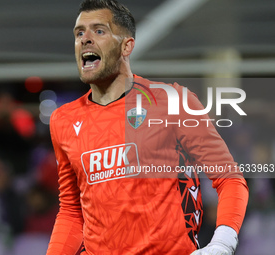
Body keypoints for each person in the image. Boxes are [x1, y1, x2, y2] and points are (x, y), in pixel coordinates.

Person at [46, 0, 249, 254]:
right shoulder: (63, 119)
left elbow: (229, 179)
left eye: (99, 31)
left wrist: (223, 243)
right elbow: (71, 212)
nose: (85, 39)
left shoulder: (173, 101)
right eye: (79, 33)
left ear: (126, 46)